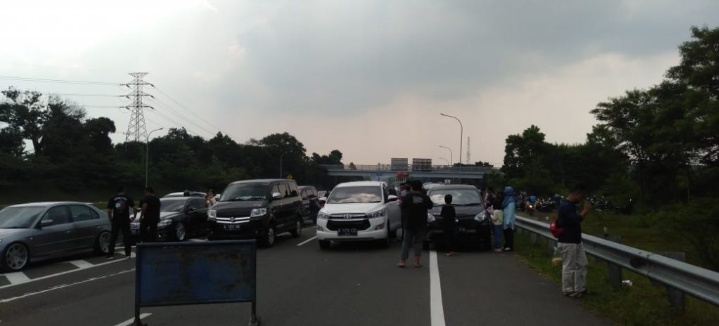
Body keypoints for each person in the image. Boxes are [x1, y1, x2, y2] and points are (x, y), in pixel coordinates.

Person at [557, 184, 591, 298]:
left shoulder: (571, 206)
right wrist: (585, 211)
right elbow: (576, 220)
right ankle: (567, 289)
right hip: (568, 240)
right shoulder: (566, 207)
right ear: (576, 194)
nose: (582, 198)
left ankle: (580, 288)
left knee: (582, 264)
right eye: (581, 196)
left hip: (576, 240)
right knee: (569, 266)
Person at [398, 180, 433, 268]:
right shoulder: (425, 197)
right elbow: (430, 206)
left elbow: (402, 207)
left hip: (409, 223)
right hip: (421, 223)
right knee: (418, 242)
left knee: (406, 242)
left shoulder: (407, 196)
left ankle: (402, 261)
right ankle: (416, 262)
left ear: (412, 187)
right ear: (421, 187)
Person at [106, 186, 137, 259]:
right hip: (125, 219)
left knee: (113, 237)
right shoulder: (128, 197)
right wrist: (134, 216)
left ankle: (110, 254)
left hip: (116, 219)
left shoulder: (112, 198)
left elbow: (109, 211)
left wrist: (110, 219)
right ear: (124, 190)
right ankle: (128, 254)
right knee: (126, 237)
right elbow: (135, 208)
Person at [488, 187, 504, 252]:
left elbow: (494, 218)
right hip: (501, 224)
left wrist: (491, 215)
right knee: (500, 236)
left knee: (497, 236)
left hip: (497, 224)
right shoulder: (501, 211)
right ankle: (500, 246)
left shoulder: (496, 211)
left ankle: (498, 247)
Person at [501, 186, 516, 251]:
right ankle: (506, 245)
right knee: (506, 233)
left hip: (509, 221)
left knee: (509, 234)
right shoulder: (506, 199)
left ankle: (510, 246)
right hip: (505, 219)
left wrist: (508, 221)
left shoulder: (511, 201)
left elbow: (510, 212)